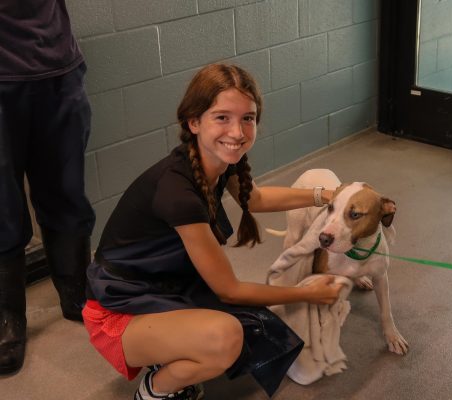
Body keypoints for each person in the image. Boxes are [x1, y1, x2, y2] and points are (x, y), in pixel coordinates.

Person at [83, 63, 344, 400]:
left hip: (162, 284)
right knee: (228, 337)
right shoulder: (178, 193)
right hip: (115, 309)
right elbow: (230, 290)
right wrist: (307, 293)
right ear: (194, 122)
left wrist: (325, 196)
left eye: (247, 118)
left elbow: (258, 198)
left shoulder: (216, 160)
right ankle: (154, 390)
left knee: (255, 324)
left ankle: (169, 348)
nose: (237, 132)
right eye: (222, 117)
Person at [0, 1, 96, 375]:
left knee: (68, 193)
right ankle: (9, 317)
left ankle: (76, 295)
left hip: (58, 69)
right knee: (2, 207)